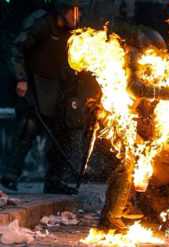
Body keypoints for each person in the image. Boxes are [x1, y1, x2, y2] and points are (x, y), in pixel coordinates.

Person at [1, 0, 91, 194]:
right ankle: (9, 176)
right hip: (32, 83)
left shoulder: (73, 33)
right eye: (74, 11)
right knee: (30, 127)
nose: (78, 16)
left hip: (56, 86)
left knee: (62, 130)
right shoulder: (42, 24)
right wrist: (21, 79)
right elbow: (17, 49)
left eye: (79, 11)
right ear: (62, 10)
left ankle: (54, 180)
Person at [98, 27, 169, 231]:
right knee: (125, 164)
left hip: (121, 116)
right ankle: (113, 216)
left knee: (129, 161)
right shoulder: (132, 55)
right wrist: (165, 92)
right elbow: (133, 88)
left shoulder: (136, 56)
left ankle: (116, 210)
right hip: (115, 114)